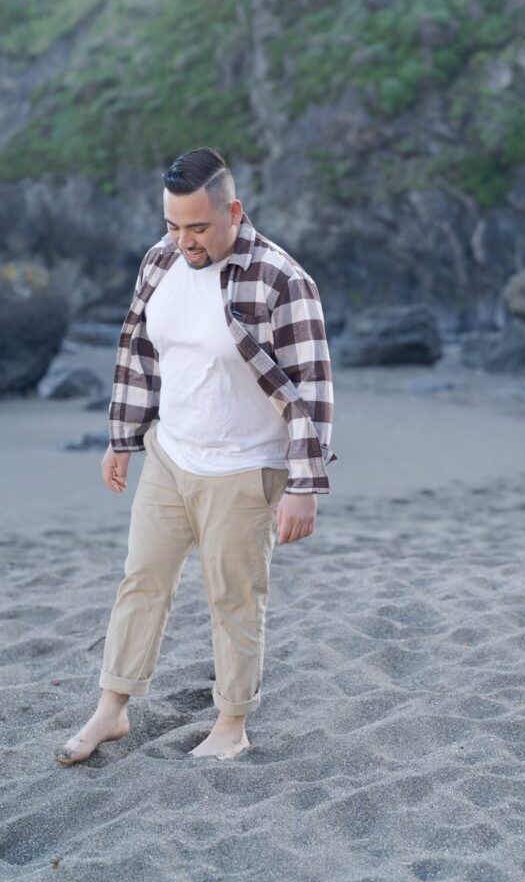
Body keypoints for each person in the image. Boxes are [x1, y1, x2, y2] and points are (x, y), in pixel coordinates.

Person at [55, 147, 337, 765]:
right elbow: (141, 354)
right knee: (141, 581)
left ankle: (232, 724)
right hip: (170, 455)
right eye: (173, 225)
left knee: (234, 597)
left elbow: (311, 389)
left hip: (244, 468)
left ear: (233, 211)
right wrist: (122, 439)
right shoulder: (160, 262)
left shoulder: (281, 280)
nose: (184, 240)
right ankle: (112, 710)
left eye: (198, 227)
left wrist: (304, 485)